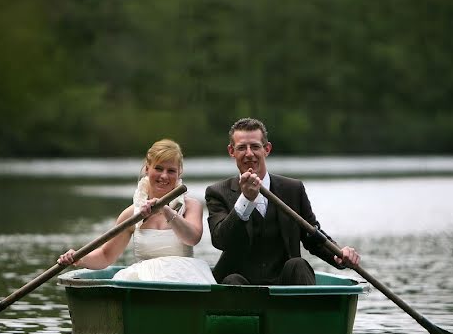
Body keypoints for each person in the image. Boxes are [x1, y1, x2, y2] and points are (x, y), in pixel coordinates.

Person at [205, 117, 360, 285]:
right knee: (232, 281)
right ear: (231, 151)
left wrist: (338, 254)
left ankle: (308, 309)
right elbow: (220, 240)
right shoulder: (217, 192)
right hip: (240, 282)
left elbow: (312, 236)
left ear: (267, 149)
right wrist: (245, 200)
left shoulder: (293, 189)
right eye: (242, 147)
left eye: (255, 146)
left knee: (298, 264)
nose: (249, 154)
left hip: (284, 281)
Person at [58, 139, 216, 284]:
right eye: (158, 168)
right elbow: (106, 256)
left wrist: (165, 210)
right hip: (145, 279)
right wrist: (78, 258)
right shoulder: (131, 214)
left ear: (179, 172)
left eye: (171, 171)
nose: (164, 176)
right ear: (147, 169)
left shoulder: (191, 206)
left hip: (183, 277)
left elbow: (192, 239)